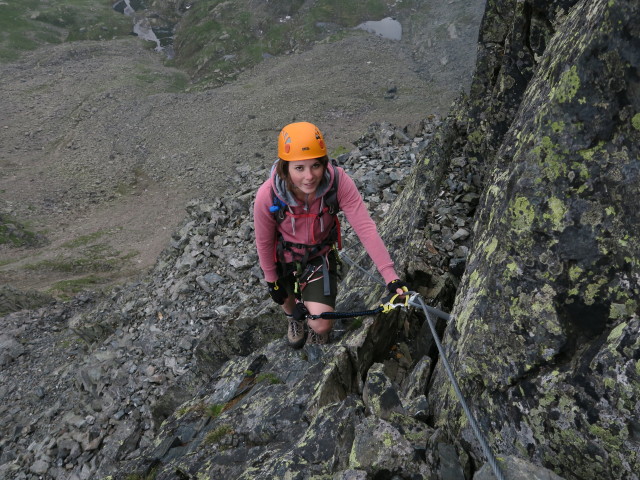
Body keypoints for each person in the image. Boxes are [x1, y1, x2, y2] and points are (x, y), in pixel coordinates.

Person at [253, 121, 409, 347]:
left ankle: (317, 336)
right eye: (299, 168)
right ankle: (292, 318)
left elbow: (365, 229)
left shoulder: (338, 182)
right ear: (285, 168)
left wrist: (390, 276)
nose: (309, 177)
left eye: (315, 166)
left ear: (324, 163)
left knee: (322, 324)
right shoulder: (267, 195)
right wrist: (271, 280)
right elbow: (264, 241)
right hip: (283, 258)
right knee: (282, 296)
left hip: (319, 255)